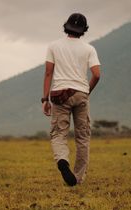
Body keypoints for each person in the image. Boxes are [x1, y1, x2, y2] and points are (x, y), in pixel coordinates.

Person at [41, 13, 101, 186]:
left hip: (60, 94)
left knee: (59, 133)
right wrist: (86, 91)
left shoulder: (53, 46)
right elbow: (97, 74)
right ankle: (77, 178)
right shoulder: (89, 49)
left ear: (66, 27)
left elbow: (48, 73)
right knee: (82, 137)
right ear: (84, 30)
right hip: (81, 92)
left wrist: (45, 99)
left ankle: (62, 160)